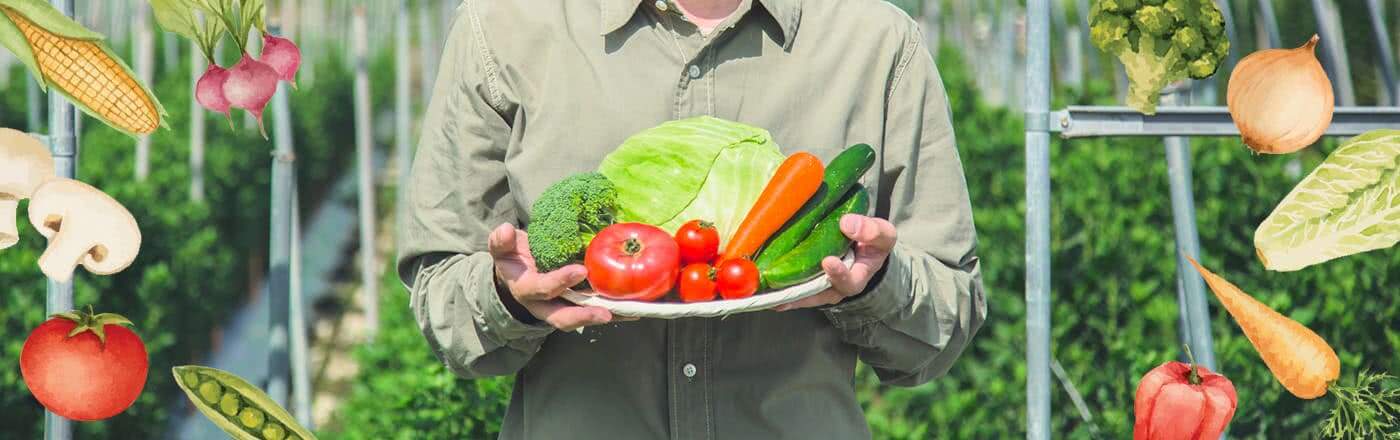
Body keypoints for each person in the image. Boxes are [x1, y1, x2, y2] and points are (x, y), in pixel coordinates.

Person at [397, 0, 987, 438]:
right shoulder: (504, 32)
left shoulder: (878, 44)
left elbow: (948, 318)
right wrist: (508, 297)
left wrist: (877, 285)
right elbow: (441, 299)